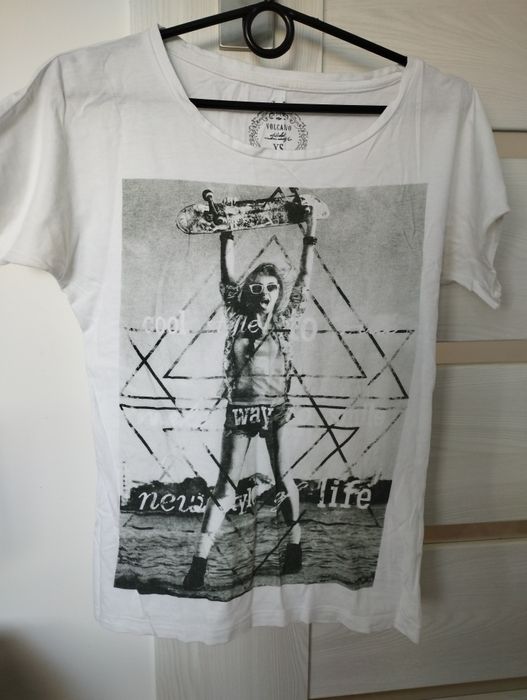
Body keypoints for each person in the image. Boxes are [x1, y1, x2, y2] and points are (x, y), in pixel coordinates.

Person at [183, 205, 318, 590]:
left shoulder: (285, 321)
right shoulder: (236, 316)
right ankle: (199, 562)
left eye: (271, 288)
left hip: (276, 410)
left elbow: (304, 279)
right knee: (225, 487)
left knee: (283, 477)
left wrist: (310, 233)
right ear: (248, 293)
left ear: (278, 293)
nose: (264, 294)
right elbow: (227, 279)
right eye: (257, 288)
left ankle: (294, 546)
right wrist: (226, 233)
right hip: (240, 411)